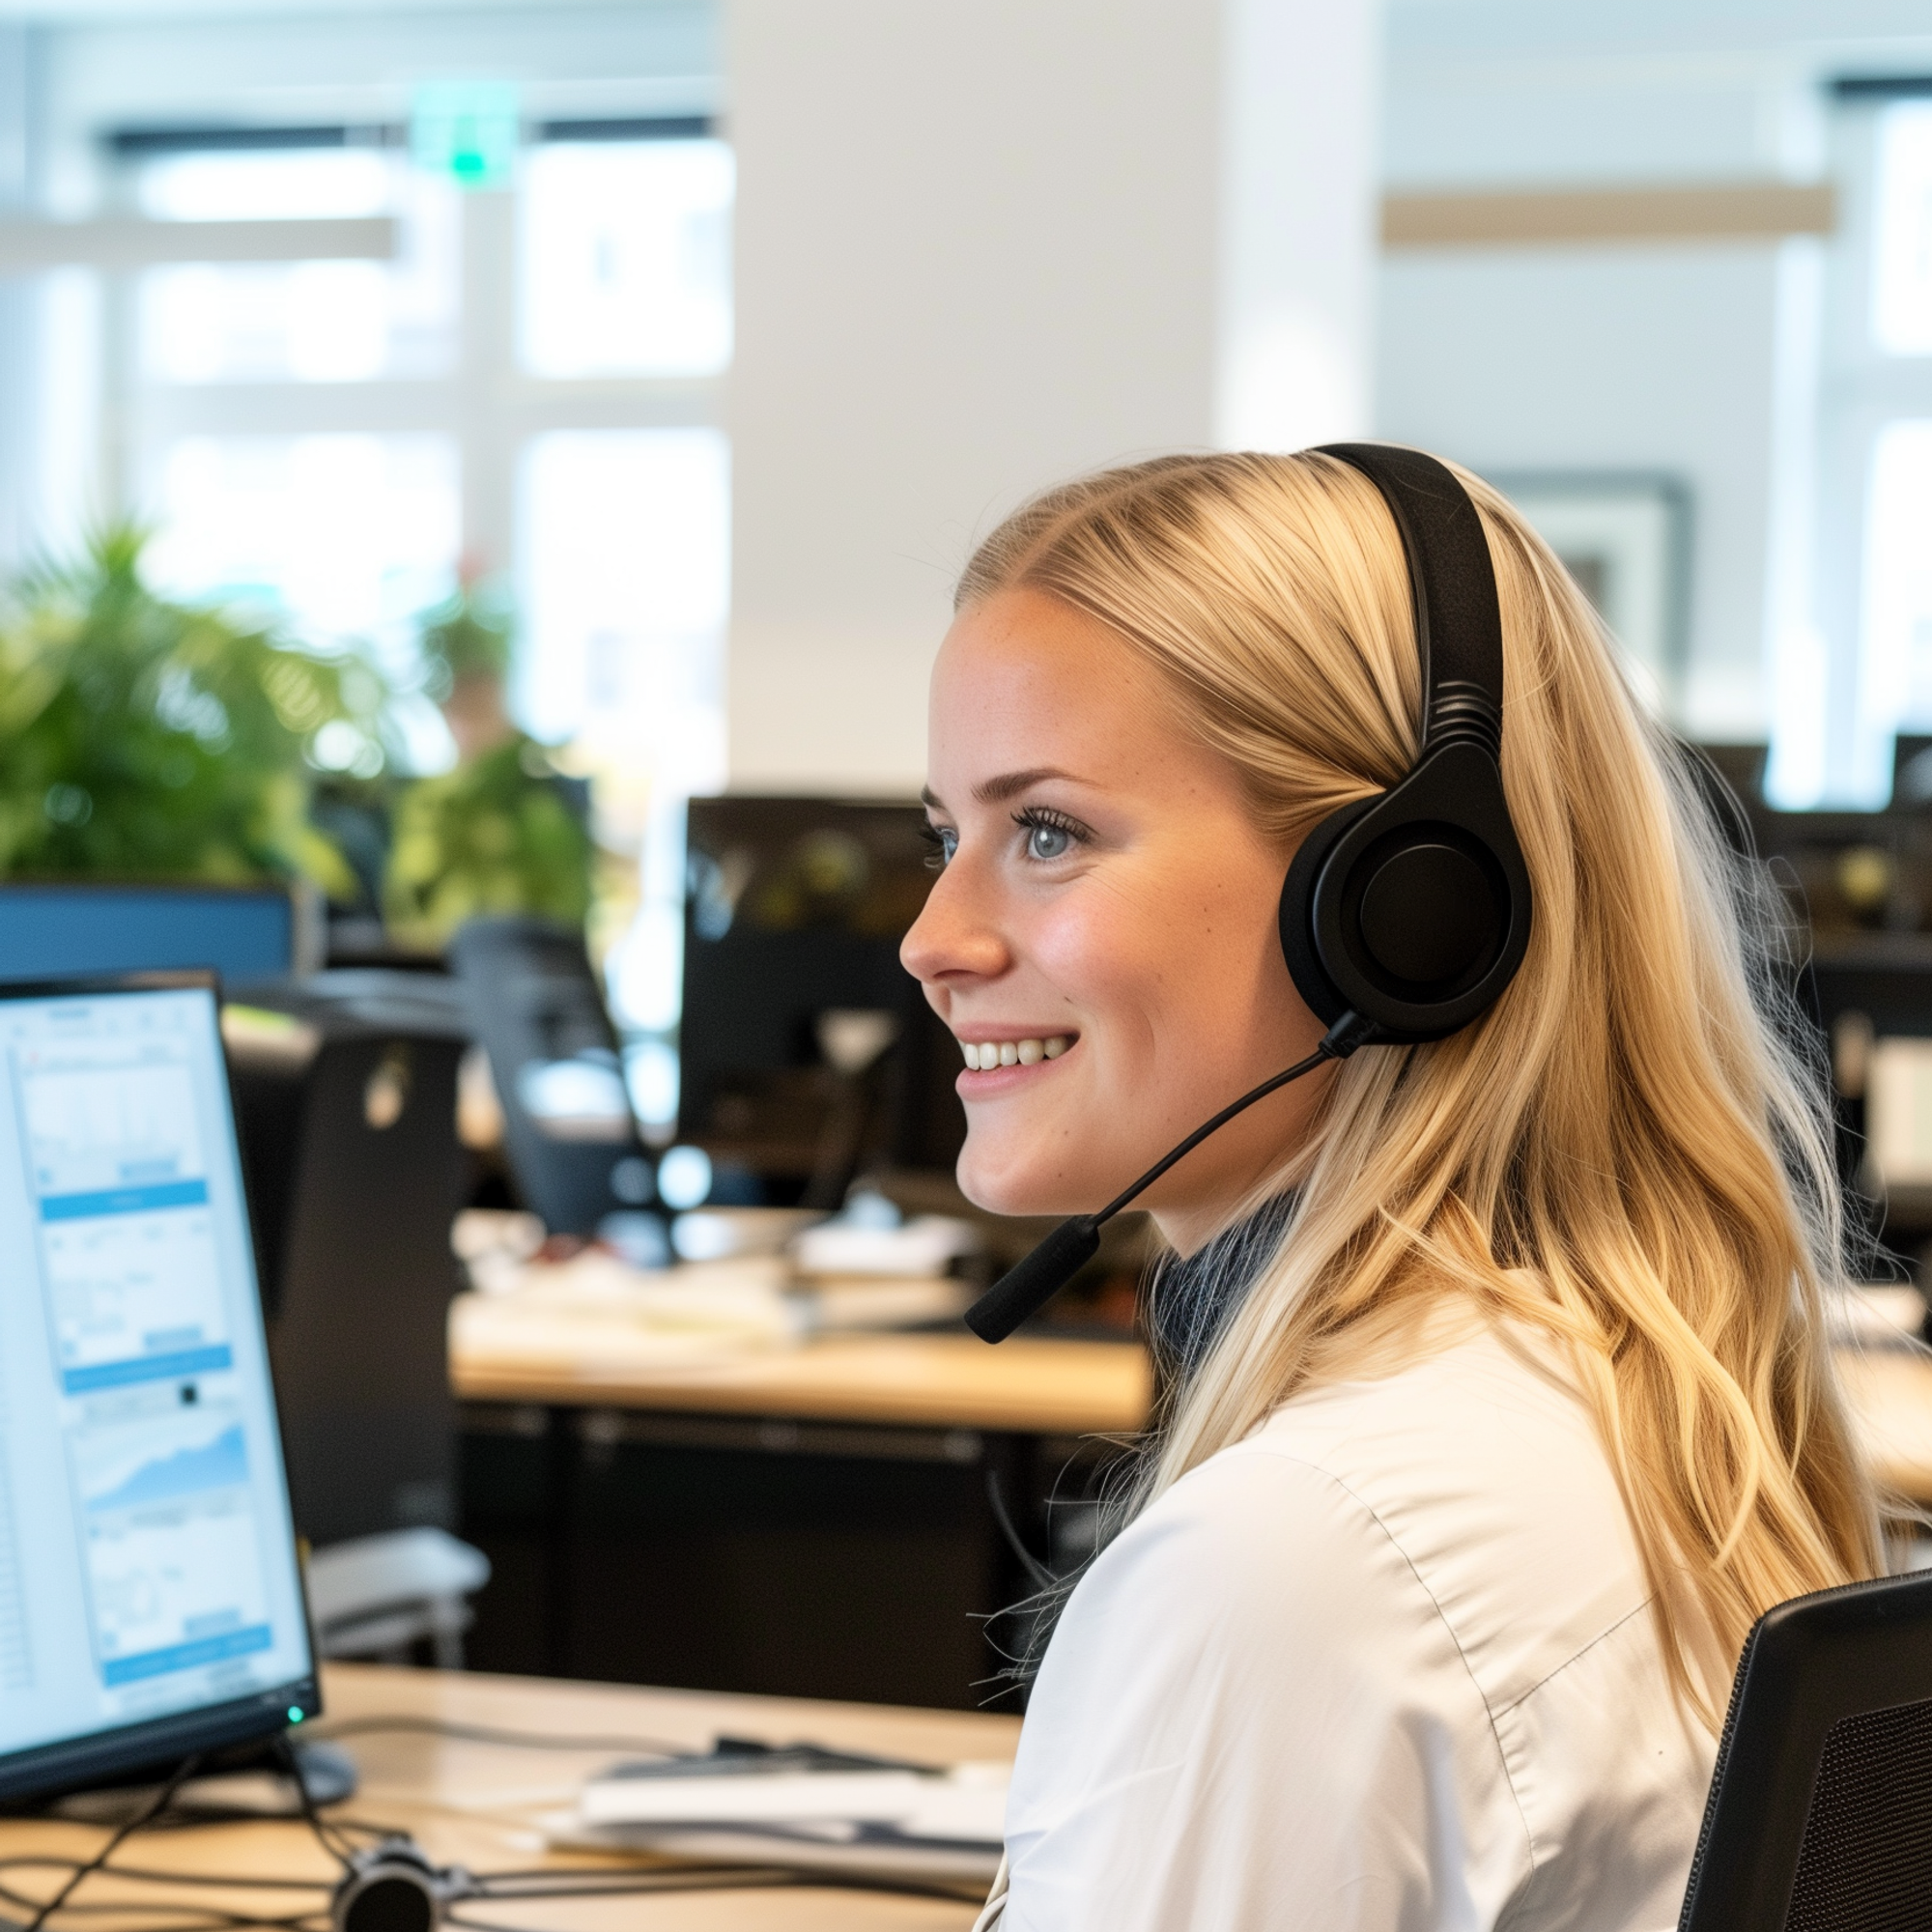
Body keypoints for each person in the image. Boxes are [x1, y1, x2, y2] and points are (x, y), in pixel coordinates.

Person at [899, 448, 1880, 1931]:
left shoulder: (1302, 1563)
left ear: (1402, 905)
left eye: (1048, 834)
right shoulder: (1634, 1410)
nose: (933, 935)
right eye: (942, 836)